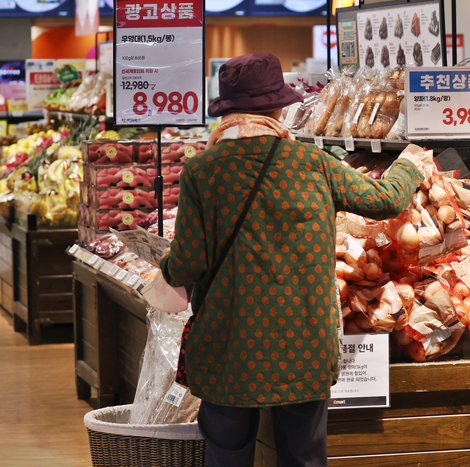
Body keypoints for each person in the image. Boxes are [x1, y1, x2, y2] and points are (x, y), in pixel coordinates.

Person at [159, 53, 428, 467]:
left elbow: (187, 263)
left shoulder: (203, 171)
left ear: (228, 109)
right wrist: (409, 165)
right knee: (303, 455)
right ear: (279, 106)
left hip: (229, 343)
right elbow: (386, 200)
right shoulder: (313, 164)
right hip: (303, 343)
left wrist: (164, 270)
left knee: (227, 452)